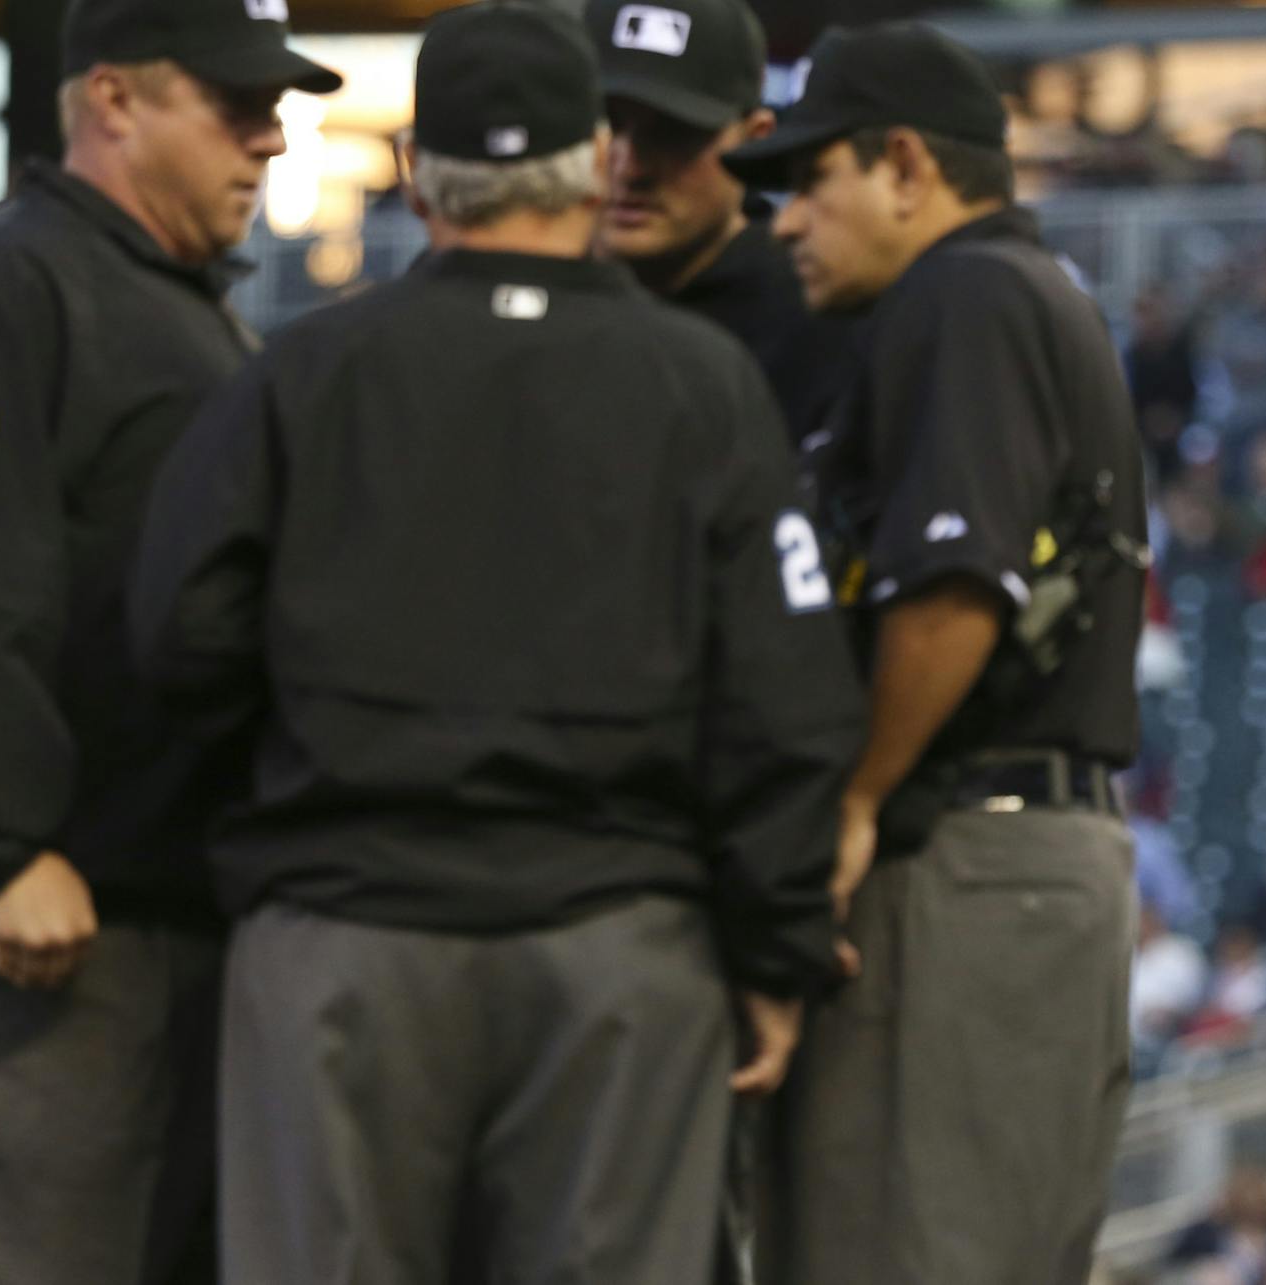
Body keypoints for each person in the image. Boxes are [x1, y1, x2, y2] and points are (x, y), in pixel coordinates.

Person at [126, 7, 863, 1284]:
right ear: (589, 162)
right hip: (616, 945)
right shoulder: (699, 382)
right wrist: (775, 946)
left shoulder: (303, 372)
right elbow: (788, 704)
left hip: (348, 935)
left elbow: (181, 640)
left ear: (416, 170)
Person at [0, 1, 339, 1280]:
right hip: (30, 929)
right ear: (114, 97)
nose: (270, 139)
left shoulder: (185, 310)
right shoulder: (8, 285)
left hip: (158, 910)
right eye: (235, 104)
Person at [721, 23, 1148, 1284]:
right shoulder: (1016, 293)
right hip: (1011, 856)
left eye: (813, 181)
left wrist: (852, 799)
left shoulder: (964, 292)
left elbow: (958, 585)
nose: (788, 220)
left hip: (969, 848)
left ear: (905, 164)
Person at [584, 0, 854, 446]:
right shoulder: (532, 295)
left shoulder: (813, 317)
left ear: (755, 140)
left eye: (672, 132)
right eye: (606, 123)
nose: (630, 166)